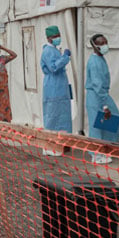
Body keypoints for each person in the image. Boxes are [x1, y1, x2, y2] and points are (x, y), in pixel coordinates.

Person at [85, 34, 119, 164]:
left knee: (113, 118)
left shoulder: (100, 59)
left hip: (102, 94)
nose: (105, 45)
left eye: (106, 42)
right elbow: (97, 84)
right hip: (96, 96)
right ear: (95, 46)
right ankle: (96, 154)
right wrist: (105, 106)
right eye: (102, 43)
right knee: (97, 125)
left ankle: (106, 149)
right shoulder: (94, 62)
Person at [40, 25, 72, 156]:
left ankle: (61, 144)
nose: (58, 38)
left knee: (62, 116)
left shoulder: (54, 50)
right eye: (55, 36)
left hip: (60, 87)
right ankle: (49, 146)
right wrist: (64, 57)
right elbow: (53, 67)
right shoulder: (48, 51)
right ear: (48, 38)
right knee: (52, 117)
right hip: (53, 87)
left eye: (58, 35)